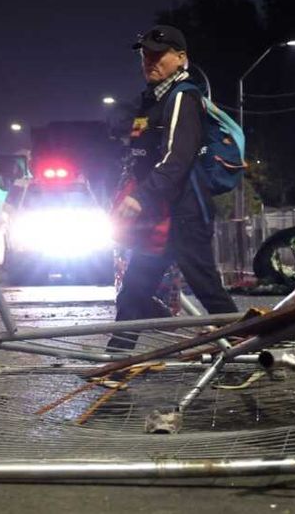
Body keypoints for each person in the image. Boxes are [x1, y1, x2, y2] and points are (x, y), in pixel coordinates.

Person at [110, 25, 239, 348]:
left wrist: (142, 196)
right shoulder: (154, 99)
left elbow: (178, 158)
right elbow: (141, 145)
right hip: (160, 216)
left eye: (158, 54)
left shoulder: (184, 96)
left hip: (184, 213)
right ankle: (116, 362)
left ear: (181, 58)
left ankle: (249, 351)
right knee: (135, 289)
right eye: (145, 55)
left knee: (207, 288)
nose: (150, 61)